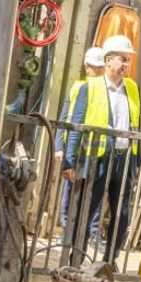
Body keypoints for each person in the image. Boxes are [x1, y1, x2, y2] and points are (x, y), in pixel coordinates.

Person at [63, 34, 141, 262]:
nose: (126, 64)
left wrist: (135, 162)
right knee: (87, 211)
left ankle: (109, 260)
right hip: (97, 158)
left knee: (122, 214)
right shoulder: (91, 87)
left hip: (123, 158)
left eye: (128, 60)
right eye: (122, 59)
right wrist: (69, 160)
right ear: (108, 61)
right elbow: (76, 123)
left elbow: (137, 124)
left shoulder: (133, 89)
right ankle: (75, 259)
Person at [58, 46, 105, 226]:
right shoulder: (78, 87)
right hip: (74, 145)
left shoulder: (103, 91)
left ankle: (84, 228)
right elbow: (65, 116)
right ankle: (65, 224)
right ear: (87, 66)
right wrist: (59, 147)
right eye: (94, 67)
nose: (97, 71)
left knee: (91, 190)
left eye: (100, 68)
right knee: (71, 186)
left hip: (93, 147)